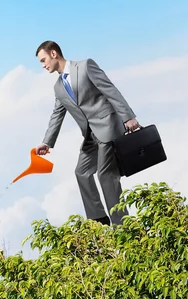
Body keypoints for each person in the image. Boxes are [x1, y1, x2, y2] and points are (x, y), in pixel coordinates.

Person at [35, 40, 139, 225]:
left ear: (53, 54)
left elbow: (110, 90)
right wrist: (47, 142)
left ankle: (122, 225)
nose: (43, 66)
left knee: (106, 175)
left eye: (43, 60)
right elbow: (57, 115)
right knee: (81, 172)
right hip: (90, 137)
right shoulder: (58, 87)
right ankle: (99, 219)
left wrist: (128, 117)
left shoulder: (85, 66)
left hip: (108, 127)